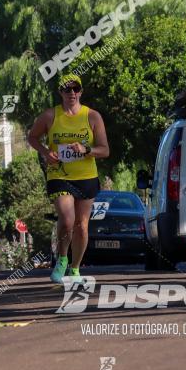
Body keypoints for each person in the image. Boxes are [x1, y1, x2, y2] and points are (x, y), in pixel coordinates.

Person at [27, 73, 109, 284]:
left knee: (81, 225)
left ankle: (75, 267)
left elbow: (104, 150)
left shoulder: (92, 116)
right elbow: (32, 137)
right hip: (59, 176)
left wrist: (85, 149)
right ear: (60, 92)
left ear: (80, 91)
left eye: (75, 89)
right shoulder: (49, 116)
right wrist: (46, 153)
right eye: (67, 89)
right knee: (67, 220)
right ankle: (61, 259)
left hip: (86, 176)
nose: (71, 93)